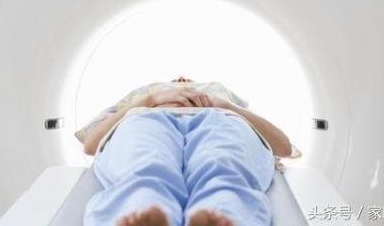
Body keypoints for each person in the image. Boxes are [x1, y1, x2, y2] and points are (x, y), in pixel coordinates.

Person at [75, 77, 294, 226]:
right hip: (148, 118)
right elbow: (91, 145)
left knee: (222, 162)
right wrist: (149, 100)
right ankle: (146, 210)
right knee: (147, 163)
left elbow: (283, 147)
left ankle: (221, 213)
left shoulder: (224, 95)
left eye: (187, 79)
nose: (182, 80)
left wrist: (226, 106)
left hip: (220, 118)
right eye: (175, 81)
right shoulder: (142, 95)